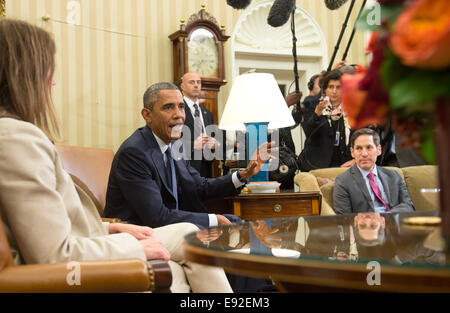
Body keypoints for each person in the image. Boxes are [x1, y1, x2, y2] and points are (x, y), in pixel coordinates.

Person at [0, 18, 233, 293]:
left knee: (189, 242)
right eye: (47, 71)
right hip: (70, 265)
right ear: (25, 76)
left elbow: (47, 224)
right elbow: (55, 255)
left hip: (93, 238)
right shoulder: (15, 138)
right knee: (185, 256)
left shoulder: (17, 134)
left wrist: (110, 230)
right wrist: (134, 248)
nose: (53, 82)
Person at [103, 82, 274, 230]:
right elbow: (156, 217)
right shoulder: (134, 153)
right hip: (141, 232)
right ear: (147, 115)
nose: (179, 115)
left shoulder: (174, 145)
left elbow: (200, 186)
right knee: (225, 228)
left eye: (181, 107)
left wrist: (244, 174)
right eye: (168, 107)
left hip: (171, 226)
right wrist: (213, 219)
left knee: (238, 223)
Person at [333, 128, 415, 214]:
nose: (364, 154)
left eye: (369, 148)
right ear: (352, 152)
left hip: (394, 224)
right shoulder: (343, 181)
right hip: (364, 226)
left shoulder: (393, 176)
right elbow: (343, 217)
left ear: (379, 150)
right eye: (359, 148)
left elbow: (408, 205)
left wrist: (385, 217)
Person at [298, 69, 354, 172]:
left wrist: (356, 160)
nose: (334, 91)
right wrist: (317, 113)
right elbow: (308, 131)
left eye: (338, 87)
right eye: (331, 87)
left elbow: (359, 136)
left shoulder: (351, 110)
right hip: (317, 166)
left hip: (344, 166)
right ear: (325, 90)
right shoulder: (313, 106)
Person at [179, 72, 219, 178]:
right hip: (186, 168)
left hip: (207, 166)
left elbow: (214, 138)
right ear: (182, 86)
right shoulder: (178, 110)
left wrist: (214, 144)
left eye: (198, 82)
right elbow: (172, 141)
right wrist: (192, 145)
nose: (196, 85)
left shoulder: (207, 112)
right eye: (192, 82)